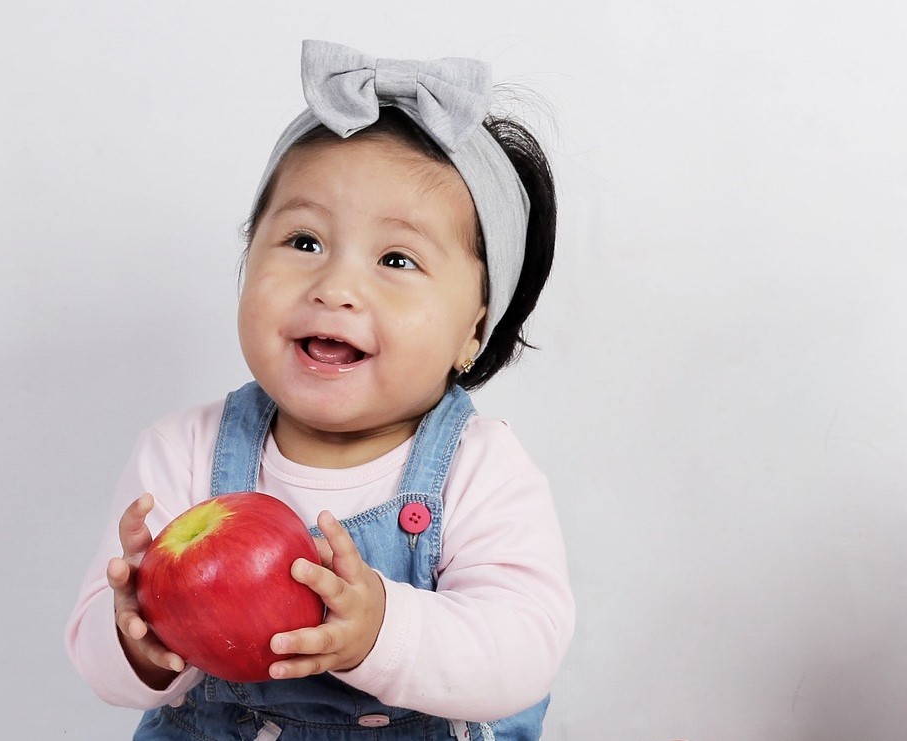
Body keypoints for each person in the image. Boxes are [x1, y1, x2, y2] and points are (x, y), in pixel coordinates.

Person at [65, 39, 575, 740]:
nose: (334, 287)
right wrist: (135, 636)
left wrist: (381, 630)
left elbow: (522, 649)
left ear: (472, 332)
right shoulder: (183, 451)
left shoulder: (479, 467)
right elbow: (99, 659)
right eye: (303, 241)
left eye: (396, 258)